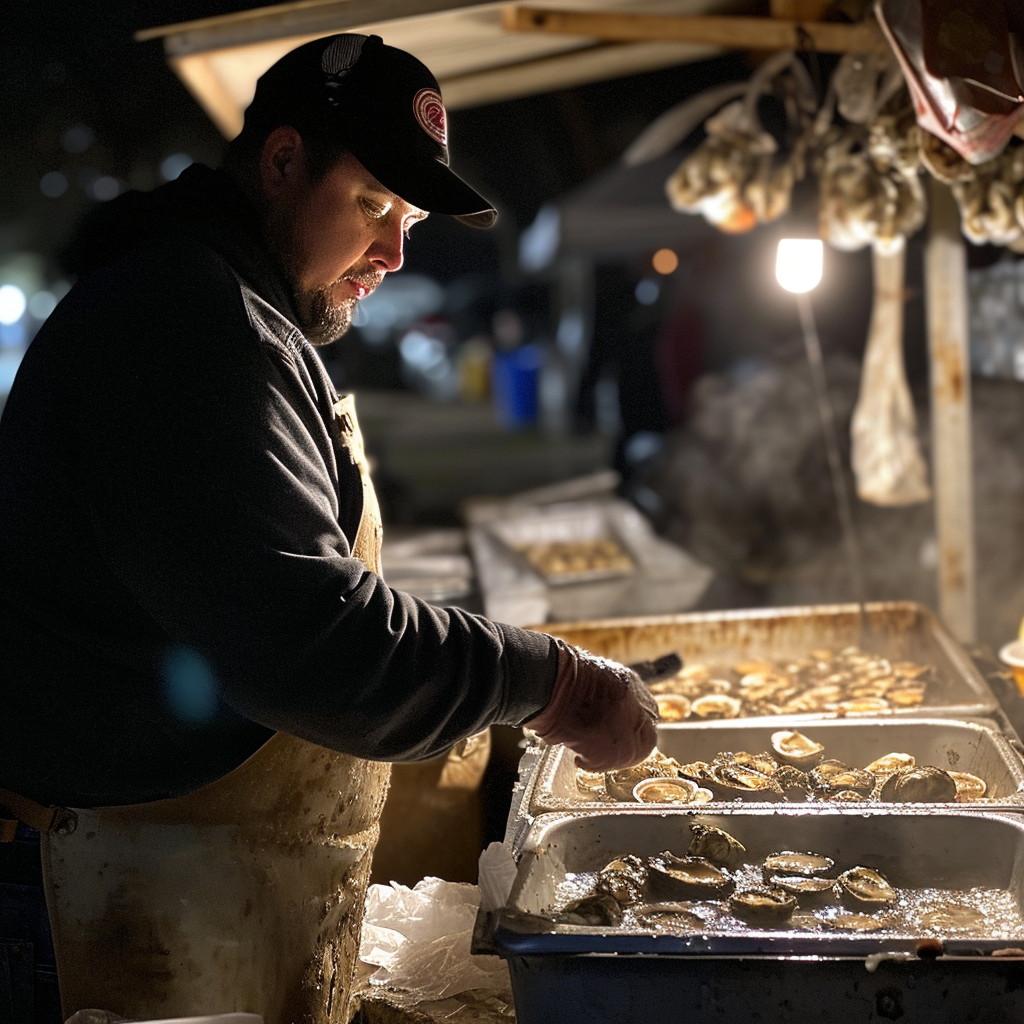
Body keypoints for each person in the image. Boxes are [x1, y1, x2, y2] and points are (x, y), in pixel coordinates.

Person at [0, 33, 657, 1024]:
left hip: (183, 875)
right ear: (280, 163)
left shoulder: (235, 305)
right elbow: (310, 638)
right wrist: (547, 680)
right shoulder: (185, 320)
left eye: (410, 219)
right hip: (109, 895)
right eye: (374, 205)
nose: (395, 250)